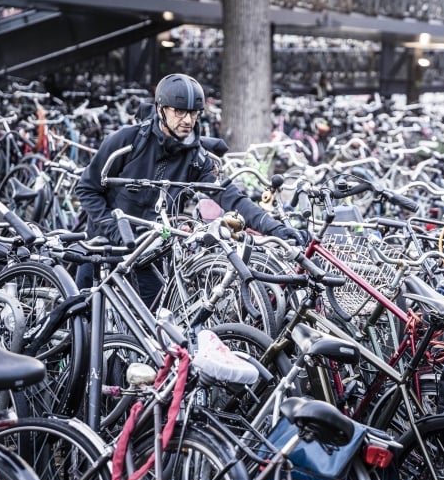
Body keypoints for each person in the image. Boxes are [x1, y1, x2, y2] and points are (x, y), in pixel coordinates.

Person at [74, 73, 304, 306]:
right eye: (179, 111)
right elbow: (86, 188)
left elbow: (231, 197)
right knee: (81, 320)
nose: (188, 120)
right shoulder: (127, 141)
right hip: (105, 246)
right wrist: (114, 229)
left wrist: (275, 228)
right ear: (161, 109)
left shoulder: (196, 157)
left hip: (150, 253)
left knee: (153, 326)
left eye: (193, 113)